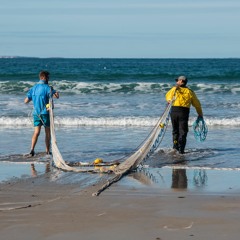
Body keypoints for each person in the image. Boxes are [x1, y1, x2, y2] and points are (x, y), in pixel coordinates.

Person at [24, 71, 59, 156]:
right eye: (48, 78)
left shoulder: (34, 88)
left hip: (36, 113)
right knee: (47, 133)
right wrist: (56, 93)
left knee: (36, 132)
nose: (49, 79)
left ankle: (32, 150)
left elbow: (26, 101)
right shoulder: (48, 88)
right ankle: (47, 151)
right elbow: (56, 96)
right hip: (45, 113)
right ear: (44, 77)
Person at [166, 76, 203, 154]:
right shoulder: (190, 92)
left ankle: (175, 147)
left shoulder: (174, 89)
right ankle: (181, 150)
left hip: (174, 112)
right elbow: (197, 105)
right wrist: (200, 114)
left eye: (177, 81)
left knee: (175, 131)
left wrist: (170, 99)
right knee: (183, 131)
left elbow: (168, 97)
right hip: (183, 113)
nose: (176, 82)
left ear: (181, 81)